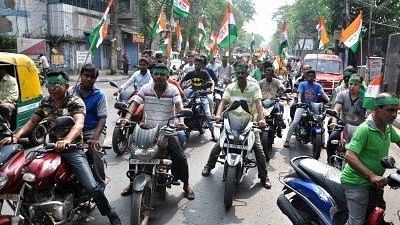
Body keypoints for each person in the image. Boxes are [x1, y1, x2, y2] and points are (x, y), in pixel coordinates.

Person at [0, 71, 121, 225]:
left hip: (72, 149)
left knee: (92, 186)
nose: (52, 88)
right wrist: (17, 136)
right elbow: (32, 122)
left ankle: (110, 213)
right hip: (50, 147)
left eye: (56, 85)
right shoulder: (46, 102)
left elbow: (78, 124)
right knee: (24, 176)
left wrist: (66, 140)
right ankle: (29, 209)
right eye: (49, 85)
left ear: (66, 86)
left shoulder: (75, 101)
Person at [119, 63, 196, 200]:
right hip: (148, 129)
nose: (159, 77)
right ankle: (132, 182)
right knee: (135, 152)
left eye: (162, 74)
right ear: (152, 75)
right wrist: (126, 118)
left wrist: (181, 122)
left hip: (168, 130)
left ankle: (186, 184)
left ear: (167, 76)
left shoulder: (173, 90)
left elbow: (179, 106)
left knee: (180, 158)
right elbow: (135, 103)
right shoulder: (145, 88)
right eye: (156, 74)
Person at [201, 63, 272, 189]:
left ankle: (264, 176)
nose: (240, 75)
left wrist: (261, 119)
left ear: (247, 74)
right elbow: (223, 102)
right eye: (238, 73)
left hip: (249, 121)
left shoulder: (254, 87)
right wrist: (218, 115)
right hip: (231, 121)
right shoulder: (230, 87)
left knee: (259, 150)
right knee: (219, 144)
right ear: (235, 74)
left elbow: (258, 104)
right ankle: (209, 166)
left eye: (243, 73)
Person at [340, 92, 400, 225]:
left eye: (396, 111)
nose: (394, 114)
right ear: (378, 110)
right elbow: (349, 155)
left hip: (376, 183)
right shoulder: (364, 130)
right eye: (390, 110)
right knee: (357, 222)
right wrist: (371, 175)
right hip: (356, 182)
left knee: (378, 216)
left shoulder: (388, 128)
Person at [69, 64, 108, 187]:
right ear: (80, 76)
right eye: (86, 76)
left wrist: (95, 138)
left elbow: (102, 119)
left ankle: (100, 184)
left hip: (93, 129)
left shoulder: (100, 95)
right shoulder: (71, 92)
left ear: (95, 79)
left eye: (92, 77)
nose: (89, 79)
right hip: (73, 129)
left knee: (95, 150)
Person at [326, 75, 366, 164]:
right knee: (332, 139)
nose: (352, 87)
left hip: (359, 128)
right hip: (343, 124)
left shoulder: (366, 98)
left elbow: (370, 113)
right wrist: (334, 121)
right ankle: (330, 161)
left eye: (356, 84)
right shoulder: (342, 94)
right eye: (351, 84)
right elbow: (337, 109)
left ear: (360, 86)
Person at [284, 69, 329, 148]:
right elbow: (300, 94)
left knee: (320, 122)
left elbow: (323, 94)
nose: (310, 77)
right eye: (309, 75)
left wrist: (329, 102)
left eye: (312, 76)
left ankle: (323, 142)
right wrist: (300, 101)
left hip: (313, 107)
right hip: (303, 106)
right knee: (295, 122)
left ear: (315, 77)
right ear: (306, 76)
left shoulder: (318, 86)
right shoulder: (302, 84)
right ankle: (287, 140)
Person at [180, 57, 216, 141]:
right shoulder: (191, 73)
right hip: (192, 93)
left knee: (207, 114)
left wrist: (208, 88)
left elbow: (210, 81)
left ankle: (213, 134)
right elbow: (182, 80)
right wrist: (179, 86)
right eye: (195, 64)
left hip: (202, 94)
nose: (196, 66)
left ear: (202, 65)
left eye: (198, 64)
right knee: (184, 107)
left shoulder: (205, 73)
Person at [259, 62, 285, 137]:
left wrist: (280, 93)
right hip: (262, 101)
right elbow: (256, 90)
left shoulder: (276, 81)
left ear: (273, 74)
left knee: (281, 106)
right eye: (267, 74)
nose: (268, 76)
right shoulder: (261, 82)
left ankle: (280, 126)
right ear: (265, 74)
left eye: (270, 74)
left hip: (274, 101)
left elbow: (282, 88)